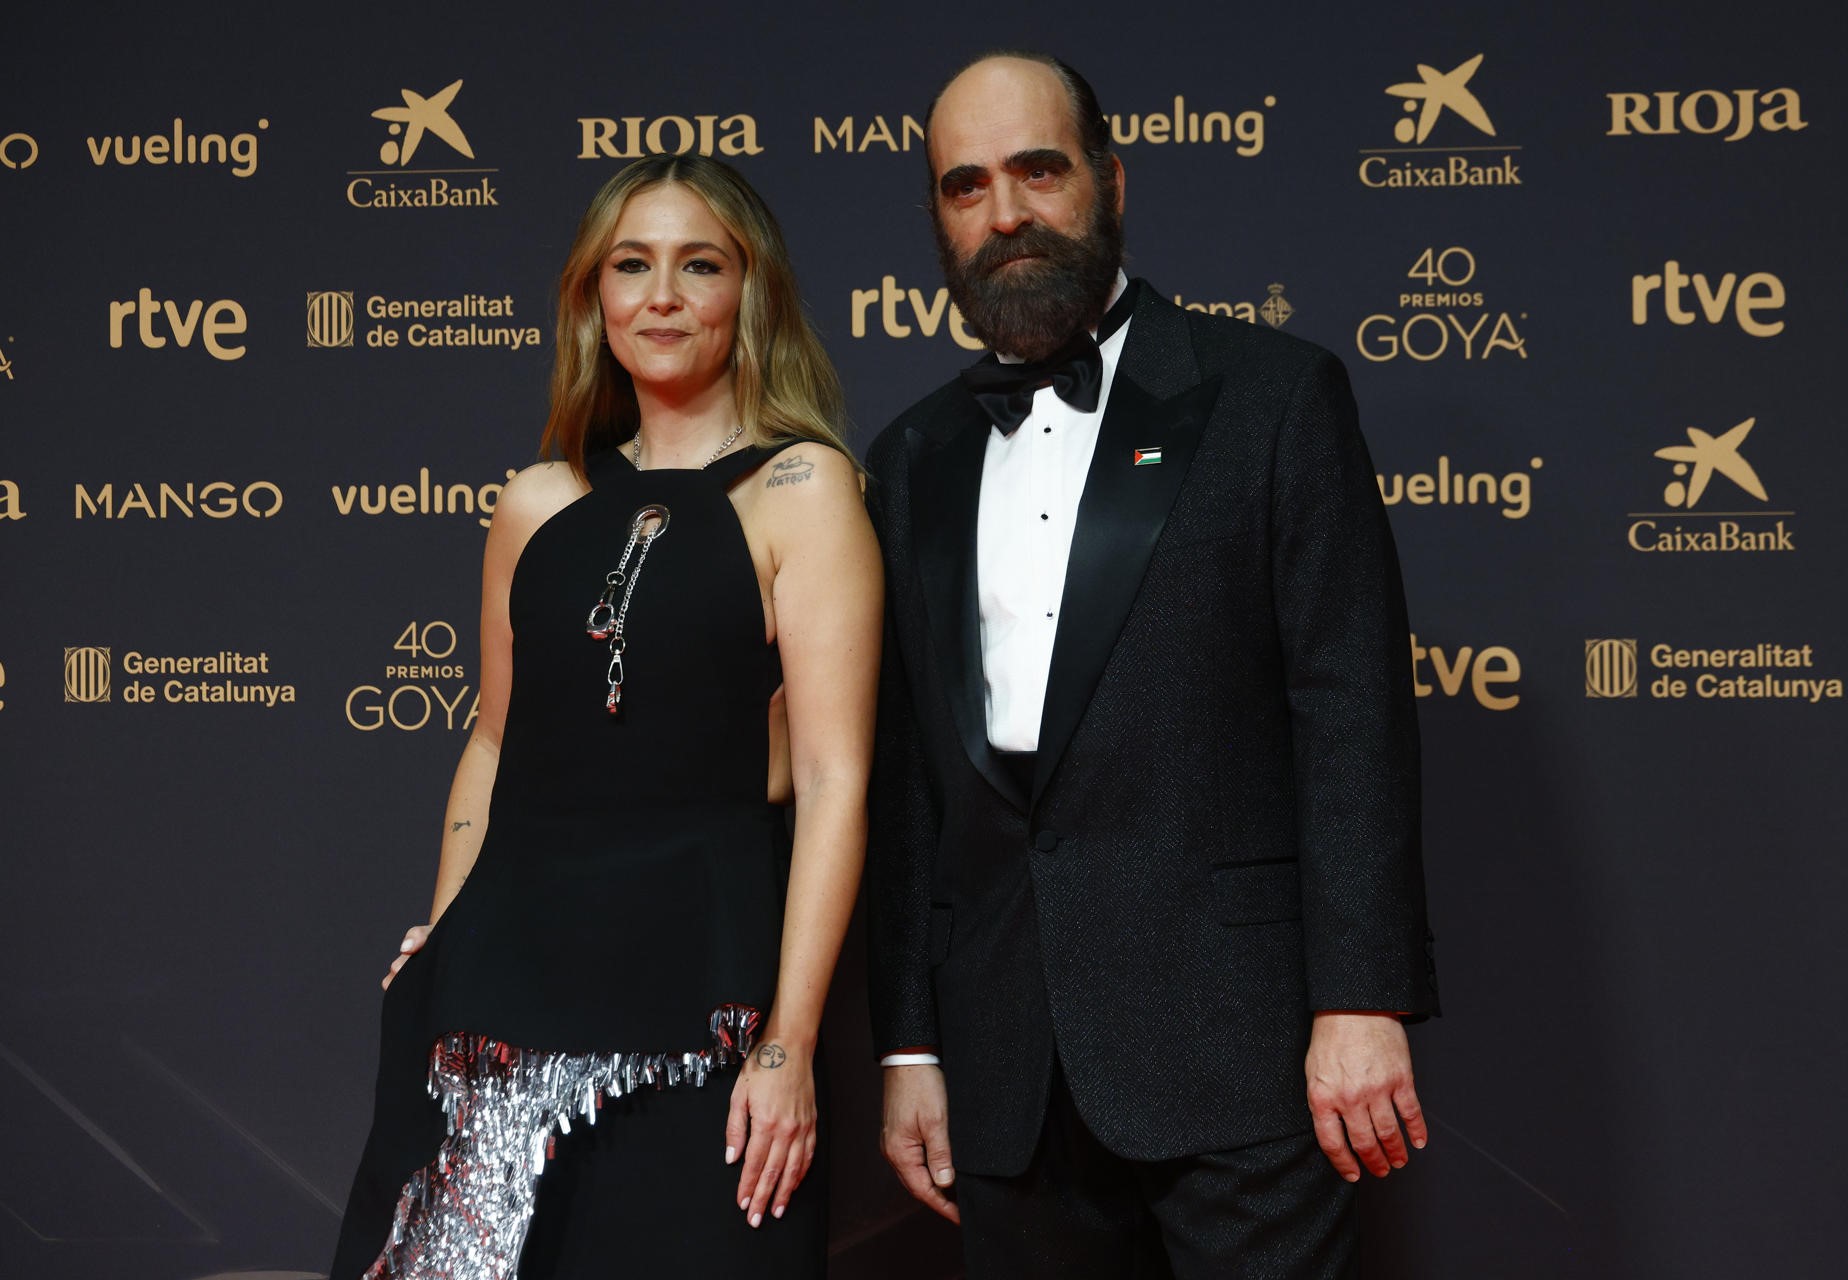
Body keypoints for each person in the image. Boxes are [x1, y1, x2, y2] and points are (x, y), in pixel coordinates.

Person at [864, 51, 1438, 1278]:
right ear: (938, 221)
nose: (1005, 212)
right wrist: (909, 1042)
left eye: (1037, 170)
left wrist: (1362, 998)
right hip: (1006, 1066)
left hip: (1240, 1046)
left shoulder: (1273, 396)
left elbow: (1351, 712)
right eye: (966, 186)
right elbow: (910, 774)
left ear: (1111, 181)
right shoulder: (909, 456)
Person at [329, 153, 880, 1278]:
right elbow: (493, 737)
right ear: (594, 295)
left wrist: (789, 1043)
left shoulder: (803, 490)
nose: (662, 295)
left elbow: (834, 779)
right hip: (493, 1000)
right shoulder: (536, 499)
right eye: (632, 265)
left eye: (699, 264)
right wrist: (444, 934)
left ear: (750, 290)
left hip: (702, 1014)